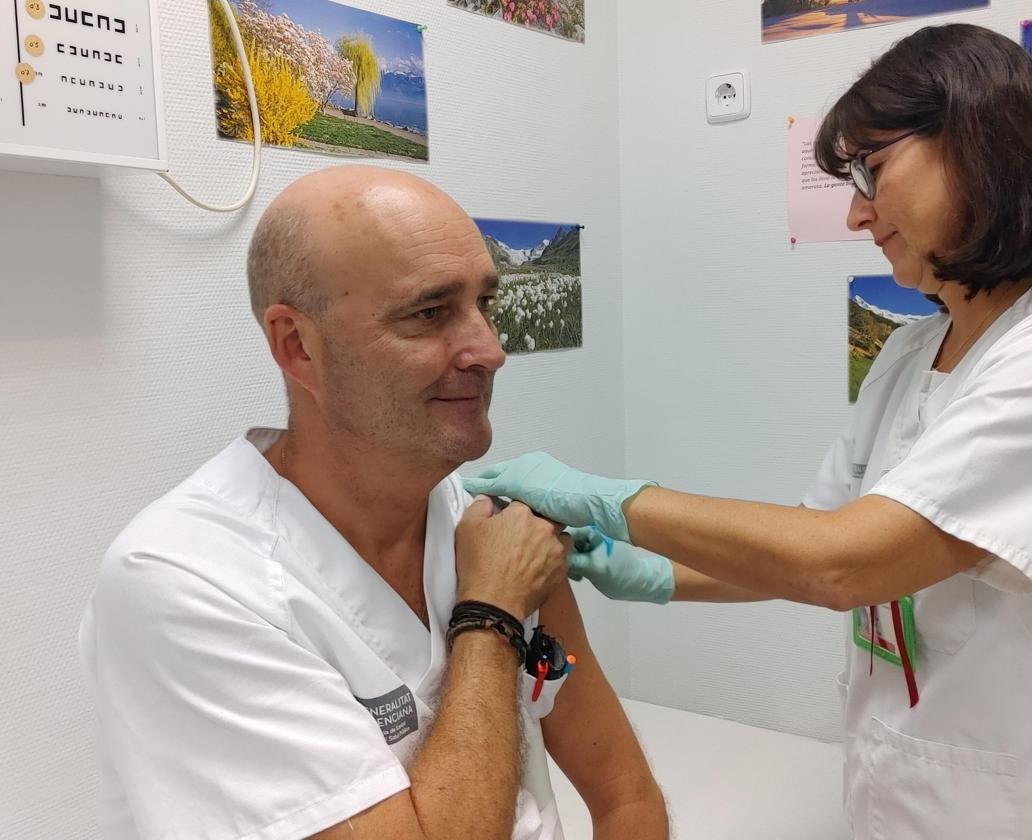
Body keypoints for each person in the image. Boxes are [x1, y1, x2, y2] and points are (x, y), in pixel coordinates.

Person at [464, 23, 1032, 840]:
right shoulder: (913, 350)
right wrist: (653, 573)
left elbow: (843, 563)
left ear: (982, 144)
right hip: (901, 798)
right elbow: (807, 545)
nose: (855, 210)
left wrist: (610, 498)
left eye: (872, 169)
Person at [79, 166, 668, 840]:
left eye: (486, 304)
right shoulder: (181, 582)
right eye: (429, 312)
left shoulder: (493, 527)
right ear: (298, 346)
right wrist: (491, 614)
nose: (491, 350)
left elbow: (627, 797)